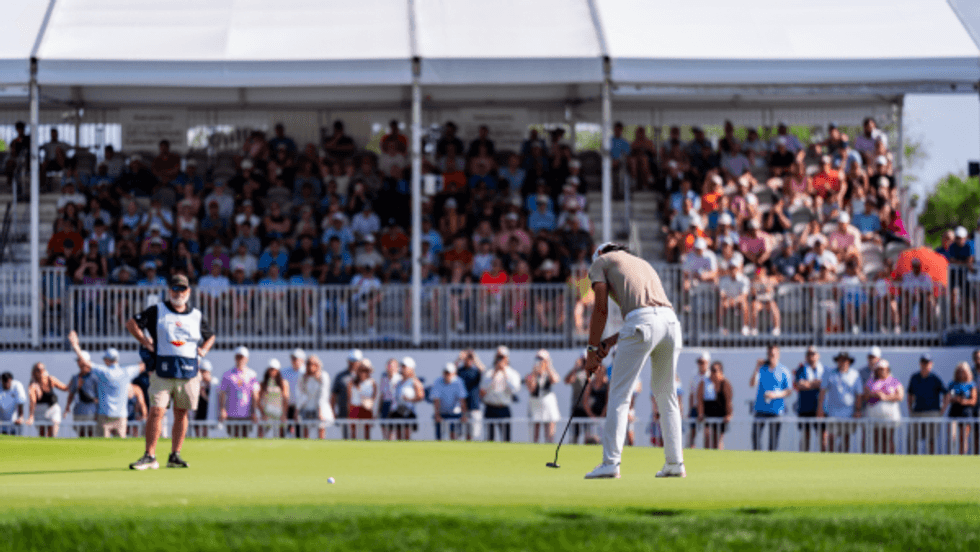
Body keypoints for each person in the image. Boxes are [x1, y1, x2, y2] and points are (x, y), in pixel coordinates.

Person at [582, 242, 684, 479]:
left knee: (619, 394)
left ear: (599, 254)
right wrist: (609, 342)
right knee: (666, 394)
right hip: (671, 324)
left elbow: (601, 309)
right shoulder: (641, 263)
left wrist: (591, 352)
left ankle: (610, 463)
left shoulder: (601, 262)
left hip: (643, 323)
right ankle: (675, 462)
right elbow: (650, 312)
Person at [125, 274, 215, 470]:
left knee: (181, 414)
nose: (178, 293)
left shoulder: (196, 315)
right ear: (169, 290)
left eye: (182, 289)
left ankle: (175, 454)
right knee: (156, 411)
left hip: (189, 371)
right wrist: (145, 342)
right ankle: (150, 455)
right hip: (162, 369)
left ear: (188, 292)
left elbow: (210, 336)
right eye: (175, 289)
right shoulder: (158, 310)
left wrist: (203, 351)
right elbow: (132, 323)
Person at [68, 333, 146, 438]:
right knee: (120, 446)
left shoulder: (103, 372)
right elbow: (143, 365)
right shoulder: (127, 371)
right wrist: (149, 345)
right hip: (121, 417)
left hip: (104, 416)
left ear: (107, 360)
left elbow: (85, 362)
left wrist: (75, 346)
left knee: (103, 447)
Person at [749, 344, 792, 452]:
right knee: (755, 437)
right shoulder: (762, 369)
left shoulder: (784, 370)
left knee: (773, 441)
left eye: (773, 354)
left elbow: (789, 391)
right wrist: (756, 368)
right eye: (769, 354)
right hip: (760, 409)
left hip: (776, 410)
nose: (771, 356)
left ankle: (770, 464)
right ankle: (757, 461)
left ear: (778, 354)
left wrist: (775, 395)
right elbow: (752, 383)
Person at [817, 351, 863, 453]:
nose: (842, 362)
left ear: (849, 362)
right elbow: (823, 391)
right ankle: (832, 460)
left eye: (844, 360)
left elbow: (859, 394)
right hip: (833, 413)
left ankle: (843, 460)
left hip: (849, 413)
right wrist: (820, 408)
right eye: (840, 360)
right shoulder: (830, 373)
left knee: (846, 438)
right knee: (831, 438)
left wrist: (858, 410)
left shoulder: (855, 375)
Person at [479, 346, 521, 443]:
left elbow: (514, 389)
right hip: (490, 407)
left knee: (506, 438)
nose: (500, 359)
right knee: (489, 438)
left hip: (504, 408)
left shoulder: (512, 373)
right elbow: (483, 390)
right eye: (498, 356)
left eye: (502, 357)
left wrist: (504, 372)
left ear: (507, 358)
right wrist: (494, 374)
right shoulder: (489, 372)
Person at [907, 354, 947, 454]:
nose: (925, 365)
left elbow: (947, 394)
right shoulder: (914, 377)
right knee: (912, 438)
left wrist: (942, 410)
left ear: (931, 364)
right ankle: (911, 462)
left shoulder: (935, 378)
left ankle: (930, 462)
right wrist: (910, 409)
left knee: (931, 439)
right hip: (917, 412)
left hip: (932, 413)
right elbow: (910, 394)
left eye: (927, 363)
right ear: (920, 364)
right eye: (923, 362)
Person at [863, 359, 904, 454]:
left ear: (888, 369)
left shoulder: (894, 381)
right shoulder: (871, 381)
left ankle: (890, 461)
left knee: (888, 438)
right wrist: (875, 395)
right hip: (875, 416)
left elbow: (900, 396)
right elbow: (865, 395)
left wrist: (885, 397)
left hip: (890, 417)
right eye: (879, 369)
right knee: (877, 438)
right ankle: (877, 461)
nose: (882, 371)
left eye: (884, 369)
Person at [218, 347, 260, 438]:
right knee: (233, 437)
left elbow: (255, 395)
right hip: (231, 413)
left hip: (247, 414)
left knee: (245, 437)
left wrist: (254, 412)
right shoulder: (227, 374)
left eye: (242, 357)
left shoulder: (252, 374)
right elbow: (222, 393)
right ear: (235, 358)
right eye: (238, 357)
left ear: (247, 359)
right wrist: (222, 409)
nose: (240, 360)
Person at [794, 345, 825, 452]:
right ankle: (802, 462)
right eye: (809, 354)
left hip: (820, 408)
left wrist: (809, 384)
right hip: (805, 408)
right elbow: (801, 385)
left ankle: (825, 462)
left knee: (822, 437)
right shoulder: (801, 369)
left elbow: (823, 385)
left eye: (813, 354)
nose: (811, 356)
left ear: (818, 355)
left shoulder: (824, 369)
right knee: (805, 437)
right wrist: (815, 383)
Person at [526, 349, 561, 443]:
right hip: (536, 401)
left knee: (550, 425)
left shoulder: (549, 373)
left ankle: (550, 444)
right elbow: (531, 388)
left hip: (548, 400)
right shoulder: (531, 374)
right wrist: (534, 372)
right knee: (536, 427)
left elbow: (555, 380)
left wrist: (548, 367)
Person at [697, 361, 733, 449]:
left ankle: (719, 459)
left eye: (715, 371)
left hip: (721, 416)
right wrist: (700, 414)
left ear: (721, 372)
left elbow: (728, 401)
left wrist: (729, 415)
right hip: (708, 415)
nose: (712, 373)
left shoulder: (725, 384)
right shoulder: (704, 383)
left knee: (718, 441)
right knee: (707, 437)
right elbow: (700, 400)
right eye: (711, 370)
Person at [944, 362, 977, 455]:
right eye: (959, 371)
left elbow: (973, 401)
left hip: (966, 412)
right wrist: (955, 399)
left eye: (963, 371)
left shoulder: (971, 384)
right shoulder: (952, 383)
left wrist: (964, 401)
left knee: (963, 438)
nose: (961, 374)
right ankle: (951, 456)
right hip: (954, 411)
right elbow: (948, 397)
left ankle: (962, 457)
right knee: (952, 436)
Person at [27, 362, 68, 438]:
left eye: (43, 369)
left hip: (53, 408)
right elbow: (32, 401)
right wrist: (31, 416)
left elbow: (65, 388)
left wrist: (75, 382)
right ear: (34, 372)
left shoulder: (51, 379)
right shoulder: (33, 385)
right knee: (42, 435)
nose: (41, 372)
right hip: (40, 410)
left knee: (53, 432)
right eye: (38, 370)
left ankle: (54, 447)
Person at [430, 362, 468, 441]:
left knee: (454, 435)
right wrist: (437, 415)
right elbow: (436, 400)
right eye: (446, 373)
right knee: (439, 437)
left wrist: (464, 414)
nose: (447, 375)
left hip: (455, 413)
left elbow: (462, 400)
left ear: (454, 373)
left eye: (449, 373)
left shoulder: (459, 382)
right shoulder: (437, 381)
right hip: (442, 412)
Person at [65, 353, 100, 438]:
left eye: (80, 361)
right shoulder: (75, 377)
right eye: (78, 361)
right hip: (79, 410)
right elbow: (71, 393)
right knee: (80, 434)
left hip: (92, 411)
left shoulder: (95, 377)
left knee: (92, 433)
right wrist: (68, 406)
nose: (79, 363)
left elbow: (100, 395)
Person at [298, 355, 333, 439]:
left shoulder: (323, 376)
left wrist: (320, 410)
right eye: (308, 364)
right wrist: (298, 409)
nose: (310, 366)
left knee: (321, 428)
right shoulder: (303, 377)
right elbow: (301, 394)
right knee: (305, 428)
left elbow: (323, 395)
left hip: (320, 408)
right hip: (308, 407)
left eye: (313, 364)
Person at [390, 357, 424, 440]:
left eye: (405, 367)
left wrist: (409, 399)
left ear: (411, 369)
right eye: (402, 367)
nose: (403, 369)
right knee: (398, 435)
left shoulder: (415, 382)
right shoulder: (398, 382)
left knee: (406, 435)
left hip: (409, 411)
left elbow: (421, 396)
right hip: (399, 410)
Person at [331, 349, 362, 439]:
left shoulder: (363, 377)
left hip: (359, 414)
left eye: (355, 361)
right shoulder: (340, 376)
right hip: (344, 413)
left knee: (360, 438)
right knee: (346, 439)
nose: (353, 363)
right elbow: (333, 396)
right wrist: (333, 412)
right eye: (351, 360)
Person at [257, 359, 289, 438]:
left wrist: (284, 414)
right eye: (271, 369)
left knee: (280, 435)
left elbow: (285, 399)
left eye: (274, 369)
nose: (272, 371)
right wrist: (262, 413)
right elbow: (258, 399)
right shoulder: (263, 383)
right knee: (261, 433)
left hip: (279, 413)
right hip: (267, 413)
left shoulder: (283, 383)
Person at [564, 352, 591, 444]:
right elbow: (567, 380)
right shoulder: (576, 372)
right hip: (577, 406)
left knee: (589, 434)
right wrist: (575, 368)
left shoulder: (593, 371)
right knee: (575, 433)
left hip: (588, 407)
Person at [347, 359, 377, 440]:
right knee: (353, 432)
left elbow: (374, 398)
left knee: (367, 432)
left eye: (366, 370)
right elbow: (349, 399)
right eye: (361, 370)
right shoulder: (352, 382)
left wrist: (369, 405)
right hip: (355, 408)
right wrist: (349, 410)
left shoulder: (372, 382)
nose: (363, 372)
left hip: (367, 409)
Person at [688, 352, 711, 448]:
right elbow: (692, 395)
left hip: (708, 407)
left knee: (707, 432)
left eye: (702, 362)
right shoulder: (694, 377)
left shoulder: (711, 376)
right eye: (699, 362)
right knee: (692, 432)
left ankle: (707, 452)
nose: (700, 364)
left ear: (707, 362)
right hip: (696, 407)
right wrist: (690, 409)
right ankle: (691, 450)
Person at [281, 349, 306, 437]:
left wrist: (298, 409)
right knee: (284, 430)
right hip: (288, 407)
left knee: (300, 432)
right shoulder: (284, 372)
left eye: (296, 359)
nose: (294, 361)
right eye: (292, 358)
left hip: (302, 407)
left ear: (302, 360)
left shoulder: (306, 372)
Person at [378, 358, 402, 440]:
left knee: (395, 428)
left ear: (397, 368)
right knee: (384, 427)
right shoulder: (384, 379)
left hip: (396, 406)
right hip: (386, 405)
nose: (390, 368)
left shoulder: (400, 379)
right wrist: (379, 410)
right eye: (388, 366)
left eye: (392, 366)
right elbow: (382, 395)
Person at [191, 360, 212, 437]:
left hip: (207, 410)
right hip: (198, 410)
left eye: (204, 371)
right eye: (201, 371)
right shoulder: (196, 383)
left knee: (205, 424)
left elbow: (209, 398)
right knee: (197, 423)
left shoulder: (213, 383)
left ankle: (205, 437)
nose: (202, 374)